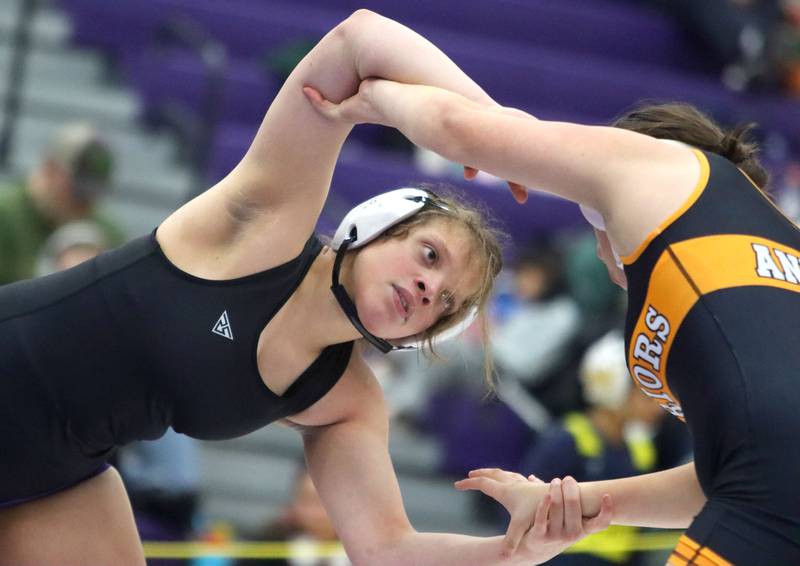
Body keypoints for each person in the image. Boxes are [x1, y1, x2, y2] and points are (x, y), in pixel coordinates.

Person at [0, 11, 613, 566]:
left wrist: (515, 553)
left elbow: (386, 550)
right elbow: (359, 38)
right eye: (430, 255)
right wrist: (496, 129)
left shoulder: (345, 398)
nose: (430, 289)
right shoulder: (268, 226)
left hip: (61, 470)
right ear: (378, 224)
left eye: (447, 304)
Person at [304, 61, 800, 563]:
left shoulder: (662, 170)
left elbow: (459, 128)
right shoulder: (767, 252)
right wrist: (572, 501)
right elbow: (730, 471)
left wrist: (367, 96)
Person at [0, 122, 122, 285]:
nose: (84, 204)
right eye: (77, 192)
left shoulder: (106, 233)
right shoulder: (5, 215)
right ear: (50, 169)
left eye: (92, 195)